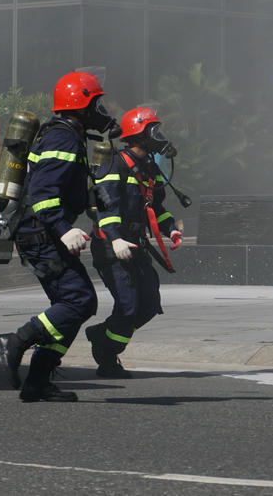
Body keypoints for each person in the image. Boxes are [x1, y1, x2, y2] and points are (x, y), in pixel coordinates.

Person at [0, 71, 120, 402]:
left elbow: (62, 188)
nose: (102, 111)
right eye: (97, 103)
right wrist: (64, 230)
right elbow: (43, 193)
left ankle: (37, 382)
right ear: (80, 104)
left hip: (40, 233)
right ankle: (15, 341)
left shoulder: (68, 136)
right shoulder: (62, 139)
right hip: (41, 234)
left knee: (71, 307)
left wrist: (92, 198)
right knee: (80, 301)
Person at [85, 106, 183, 378]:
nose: (159, 136)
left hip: (136, 245)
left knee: (149, 304)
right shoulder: (114, 166)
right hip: (111, 247)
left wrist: (171, 229)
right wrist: (115, 239)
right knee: (128, 306)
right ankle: (107, 353)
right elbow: (105, 208)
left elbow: (156, 207)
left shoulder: (149, 169)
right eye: (154, 130)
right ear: (139, 135)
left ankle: (101, 336)